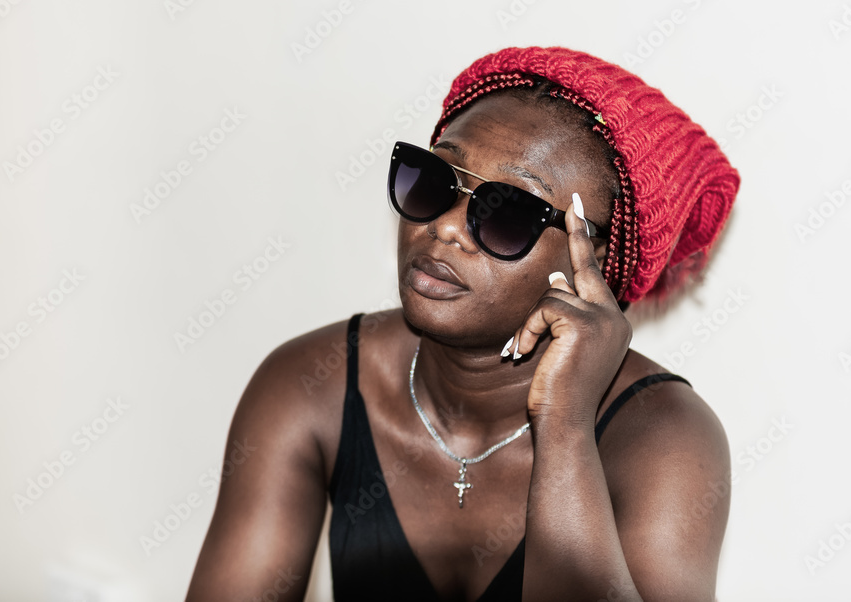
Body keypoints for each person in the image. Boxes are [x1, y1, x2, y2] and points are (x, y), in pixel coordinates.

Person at [186, 46, 740, 602]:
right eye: (435, 180)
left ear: (594, 267)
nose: (446, 228)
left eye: (508, 211)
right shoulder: (312, 385)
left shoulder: (665, 438)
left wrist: (564, 424)